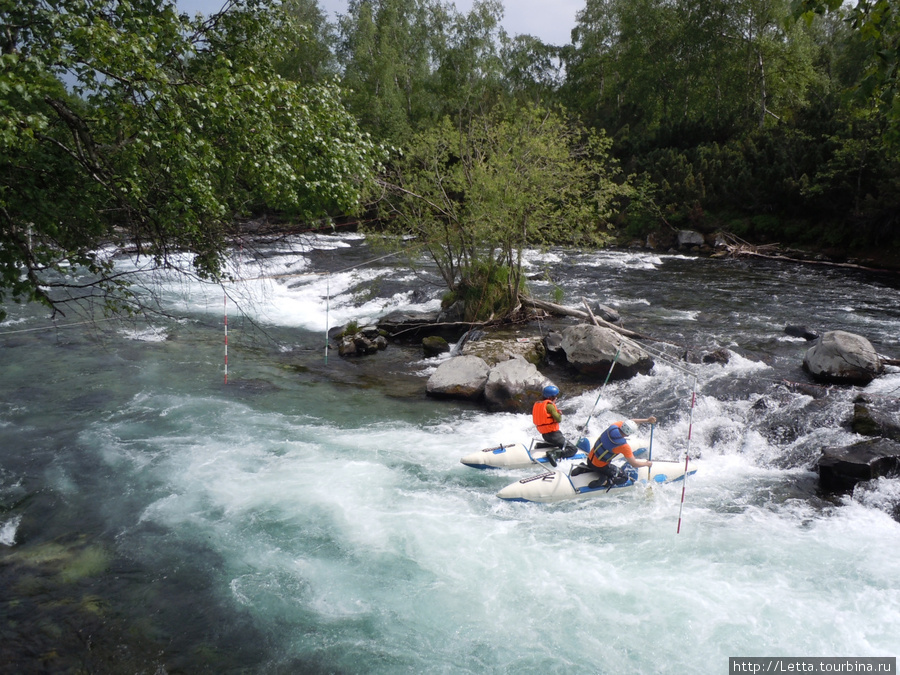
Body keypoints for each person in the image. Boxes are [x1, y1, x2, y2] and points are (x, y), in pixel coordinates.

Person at [575, 416, 657, 488]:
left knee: (598, 462)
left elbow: (630, 422)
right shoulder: (623, 446)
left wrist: (647, 420)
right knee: (624, 478)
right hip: (600, 467)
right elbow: (634, 464)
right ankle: (605, 481)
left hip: (589, 460)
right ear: (629, 434)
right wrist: (647, 464)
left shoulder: (614, 426)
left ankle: (584, 468)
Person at [531, 385, 578, 467]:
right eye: (556, 396)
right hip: (554, 434)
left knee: (557, 444)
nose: (556, 398)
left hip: (545, 435)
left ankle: (541, 445)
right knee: (573, 449)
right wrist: (559, 414)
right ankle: (553, 454)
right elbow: (558, 419)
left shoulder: (539, 404)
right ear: (551, 397)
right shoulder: (550, 406)